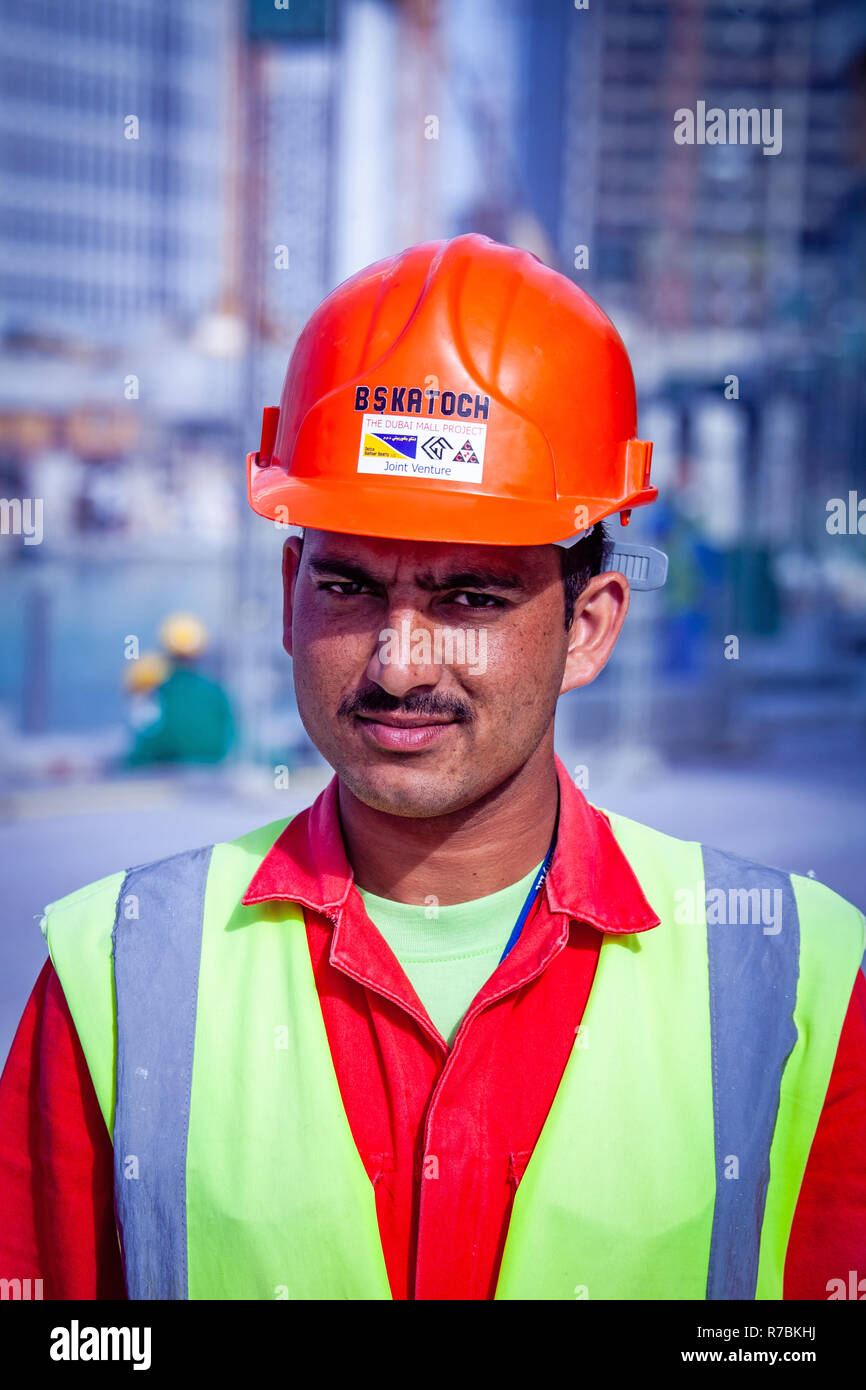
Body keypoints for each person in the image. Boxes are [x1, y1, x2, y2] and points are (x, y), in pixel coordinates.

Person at [1, 234, 864, 1301]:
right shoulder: (116, 972)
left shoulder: (794, 979)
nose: (398, 662)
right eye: (349, 586)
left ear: (587, 628)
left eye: (470, 598)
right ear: (287, 593)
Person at [123, 612, 235, 766]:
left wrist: (124, 765)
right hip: (213, 771)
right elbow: (228, 736)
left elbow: (148, 745)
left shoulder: (160, 693)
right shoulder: (217, 692)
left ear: (165, 650)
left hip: (165, 775)